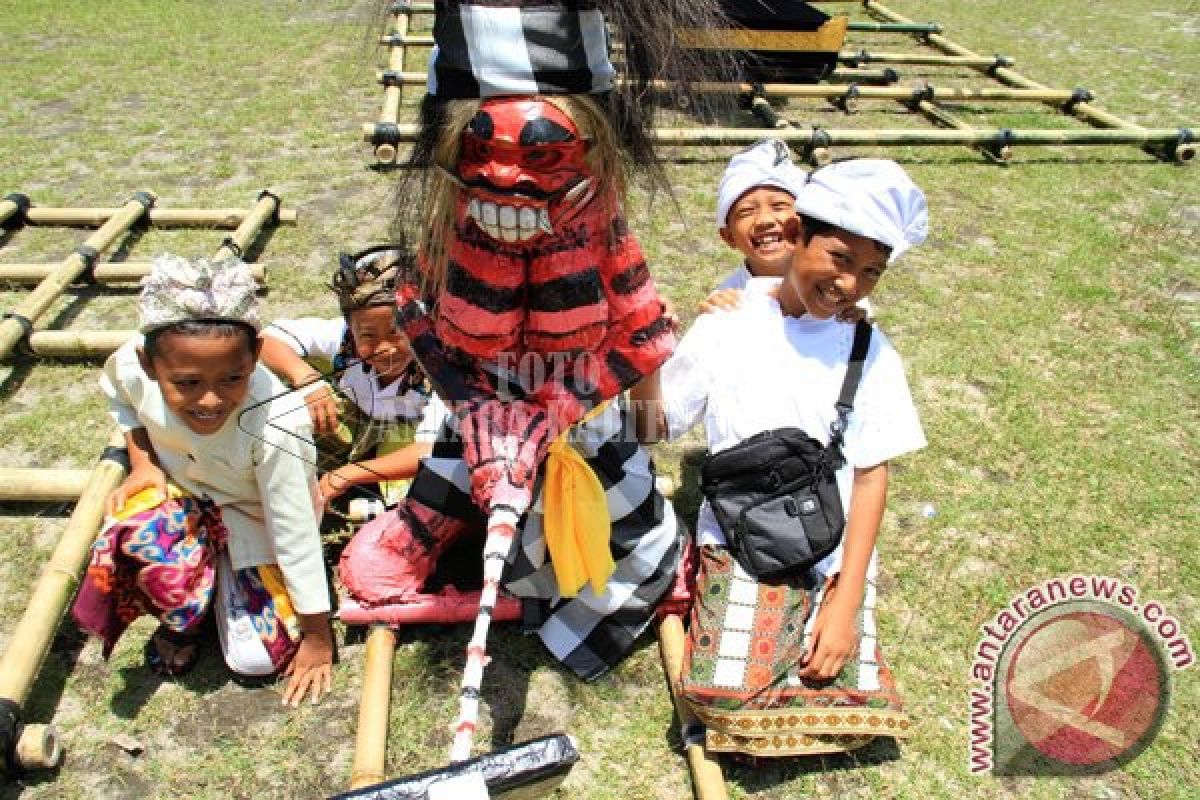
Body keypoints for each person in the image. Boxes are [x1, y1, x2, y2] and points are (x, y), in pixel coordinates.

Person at [632, 159, 928, 757]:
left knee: (838, 686)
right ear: (797, 238)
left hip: (829, 543)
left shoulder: (870, 348)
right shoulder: (730, 321)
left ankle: (828, 631)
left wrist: (844, 602)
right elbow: (651, 427)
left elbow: (871, 476)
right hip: (744, 534)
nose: (850, 283)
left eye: (870, 272)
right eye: (841, 259)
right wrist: (644, 354)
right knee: (720, 699)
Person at [71, 254, 334, 707]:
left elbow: (295, 532)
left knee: (256, 660)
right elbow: (123, 401)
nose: (210, 399)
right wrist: (144, 464)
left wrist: (318, 636)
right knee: (130, 530)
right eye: (188, 383)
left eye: (232, 378)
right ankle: (190, 611)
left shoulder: (279, 421)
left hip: (256, 522)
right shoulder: (131, 365)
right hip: (187, 500)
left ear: (254, 358)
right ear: (151, 365)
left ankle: (216, 586)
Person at [259, 246, 447, 509]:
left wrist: (349, 474)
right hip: (352, 419)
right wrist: (307, 379)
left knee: (418, 489)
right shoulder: (341, 339)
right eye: (368, 336)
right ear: (351, 327)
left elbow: (427, 450)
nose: (385, 348)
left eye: (397, 332)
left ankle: (378, 501)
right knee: (292, 411)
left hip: (404, 437)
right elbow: (265, 339)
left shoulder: (439, 367)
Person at [701, 139, 871, 322]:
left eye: (779, 206)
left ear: (806, 221)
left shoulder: (836, 282)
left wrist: (859, 322)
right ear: (728, 236)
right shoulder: (727, 299)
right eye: (746, 212)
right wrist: (712, 317)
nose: (764, 221)